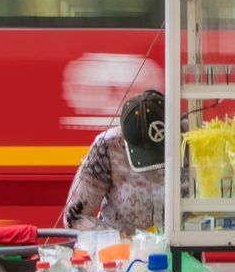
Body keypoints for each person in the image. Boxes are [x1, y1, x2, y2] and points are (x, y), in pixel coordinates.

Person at [59, 90, 165, 233]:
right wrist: (123, 240)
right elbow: (75, 217)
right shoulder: (108, 146)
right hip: (122, 252)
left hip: (182, 252)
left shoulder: (195, 140)